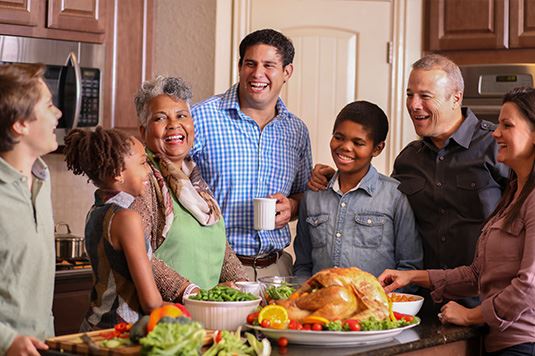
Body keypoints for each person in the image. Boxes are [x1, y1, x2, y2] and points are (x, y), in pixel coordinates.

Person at [308, 54, 508, 283]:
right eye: (410, 94)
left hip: (484, 299)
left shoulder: (497, 146)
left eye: (425, 96)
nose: (413, 105)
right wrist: (338, 179)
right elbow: (378, 204)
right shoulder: (409, 159)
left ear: (456, 98)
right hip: (423, 299)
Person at [379, 87, 535, 355]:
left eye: (507, 125)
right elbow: (478, 273)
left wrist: (471, 316)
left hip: (524, 344)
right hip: (499, 341)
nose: (495, 133)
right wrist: (412, 276)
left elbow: (529, 286)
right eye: (498, 124)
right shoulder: (512, 193)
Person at [191, 28, 313, 280]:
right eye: (250, 64)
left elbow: (304, 193)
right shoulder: (200, 117)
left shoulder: (296, 131)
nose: (258, 74)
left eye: (269, 65)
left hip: (276, 269)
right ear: (239, 66)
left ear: (287, 72)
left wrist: (292, 205)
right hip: (212, 268)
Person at [132, 76, 248, 302]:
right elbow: (138, 252)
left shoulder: (194, 178)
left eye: (182, 116)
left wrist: (246, 287)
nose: (174, 124)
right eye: (160, 118)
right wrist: (191, 292)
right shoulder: (143, 180)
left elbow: (219, 248)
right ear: (143, 130)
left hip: (207, 312)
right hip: (170, 316)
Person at [293, 101, 422, 279]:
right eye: (339, 137)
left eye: (358, 142)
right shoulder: (313, 195)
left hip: (377, 304)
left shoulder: (395, 197)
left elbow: (409, 267)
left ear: (377, 148)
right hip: (322, 304)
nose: (346, 147)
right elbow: (303, 265)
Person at [64, 127, 164, 330]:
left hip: (94, 326)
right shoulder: (127, 218)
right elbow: (151, 302)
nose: (148, 171)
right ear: (118, 172)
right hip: (121, 331)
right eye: (143, 162)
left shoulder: (96, 211)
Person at [0, 63, 61, 355]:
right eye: (49, 105)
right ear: (20, 124)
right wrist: (6, 340)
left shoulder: (42, 178)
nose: (58, 113)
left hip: (41, 345)